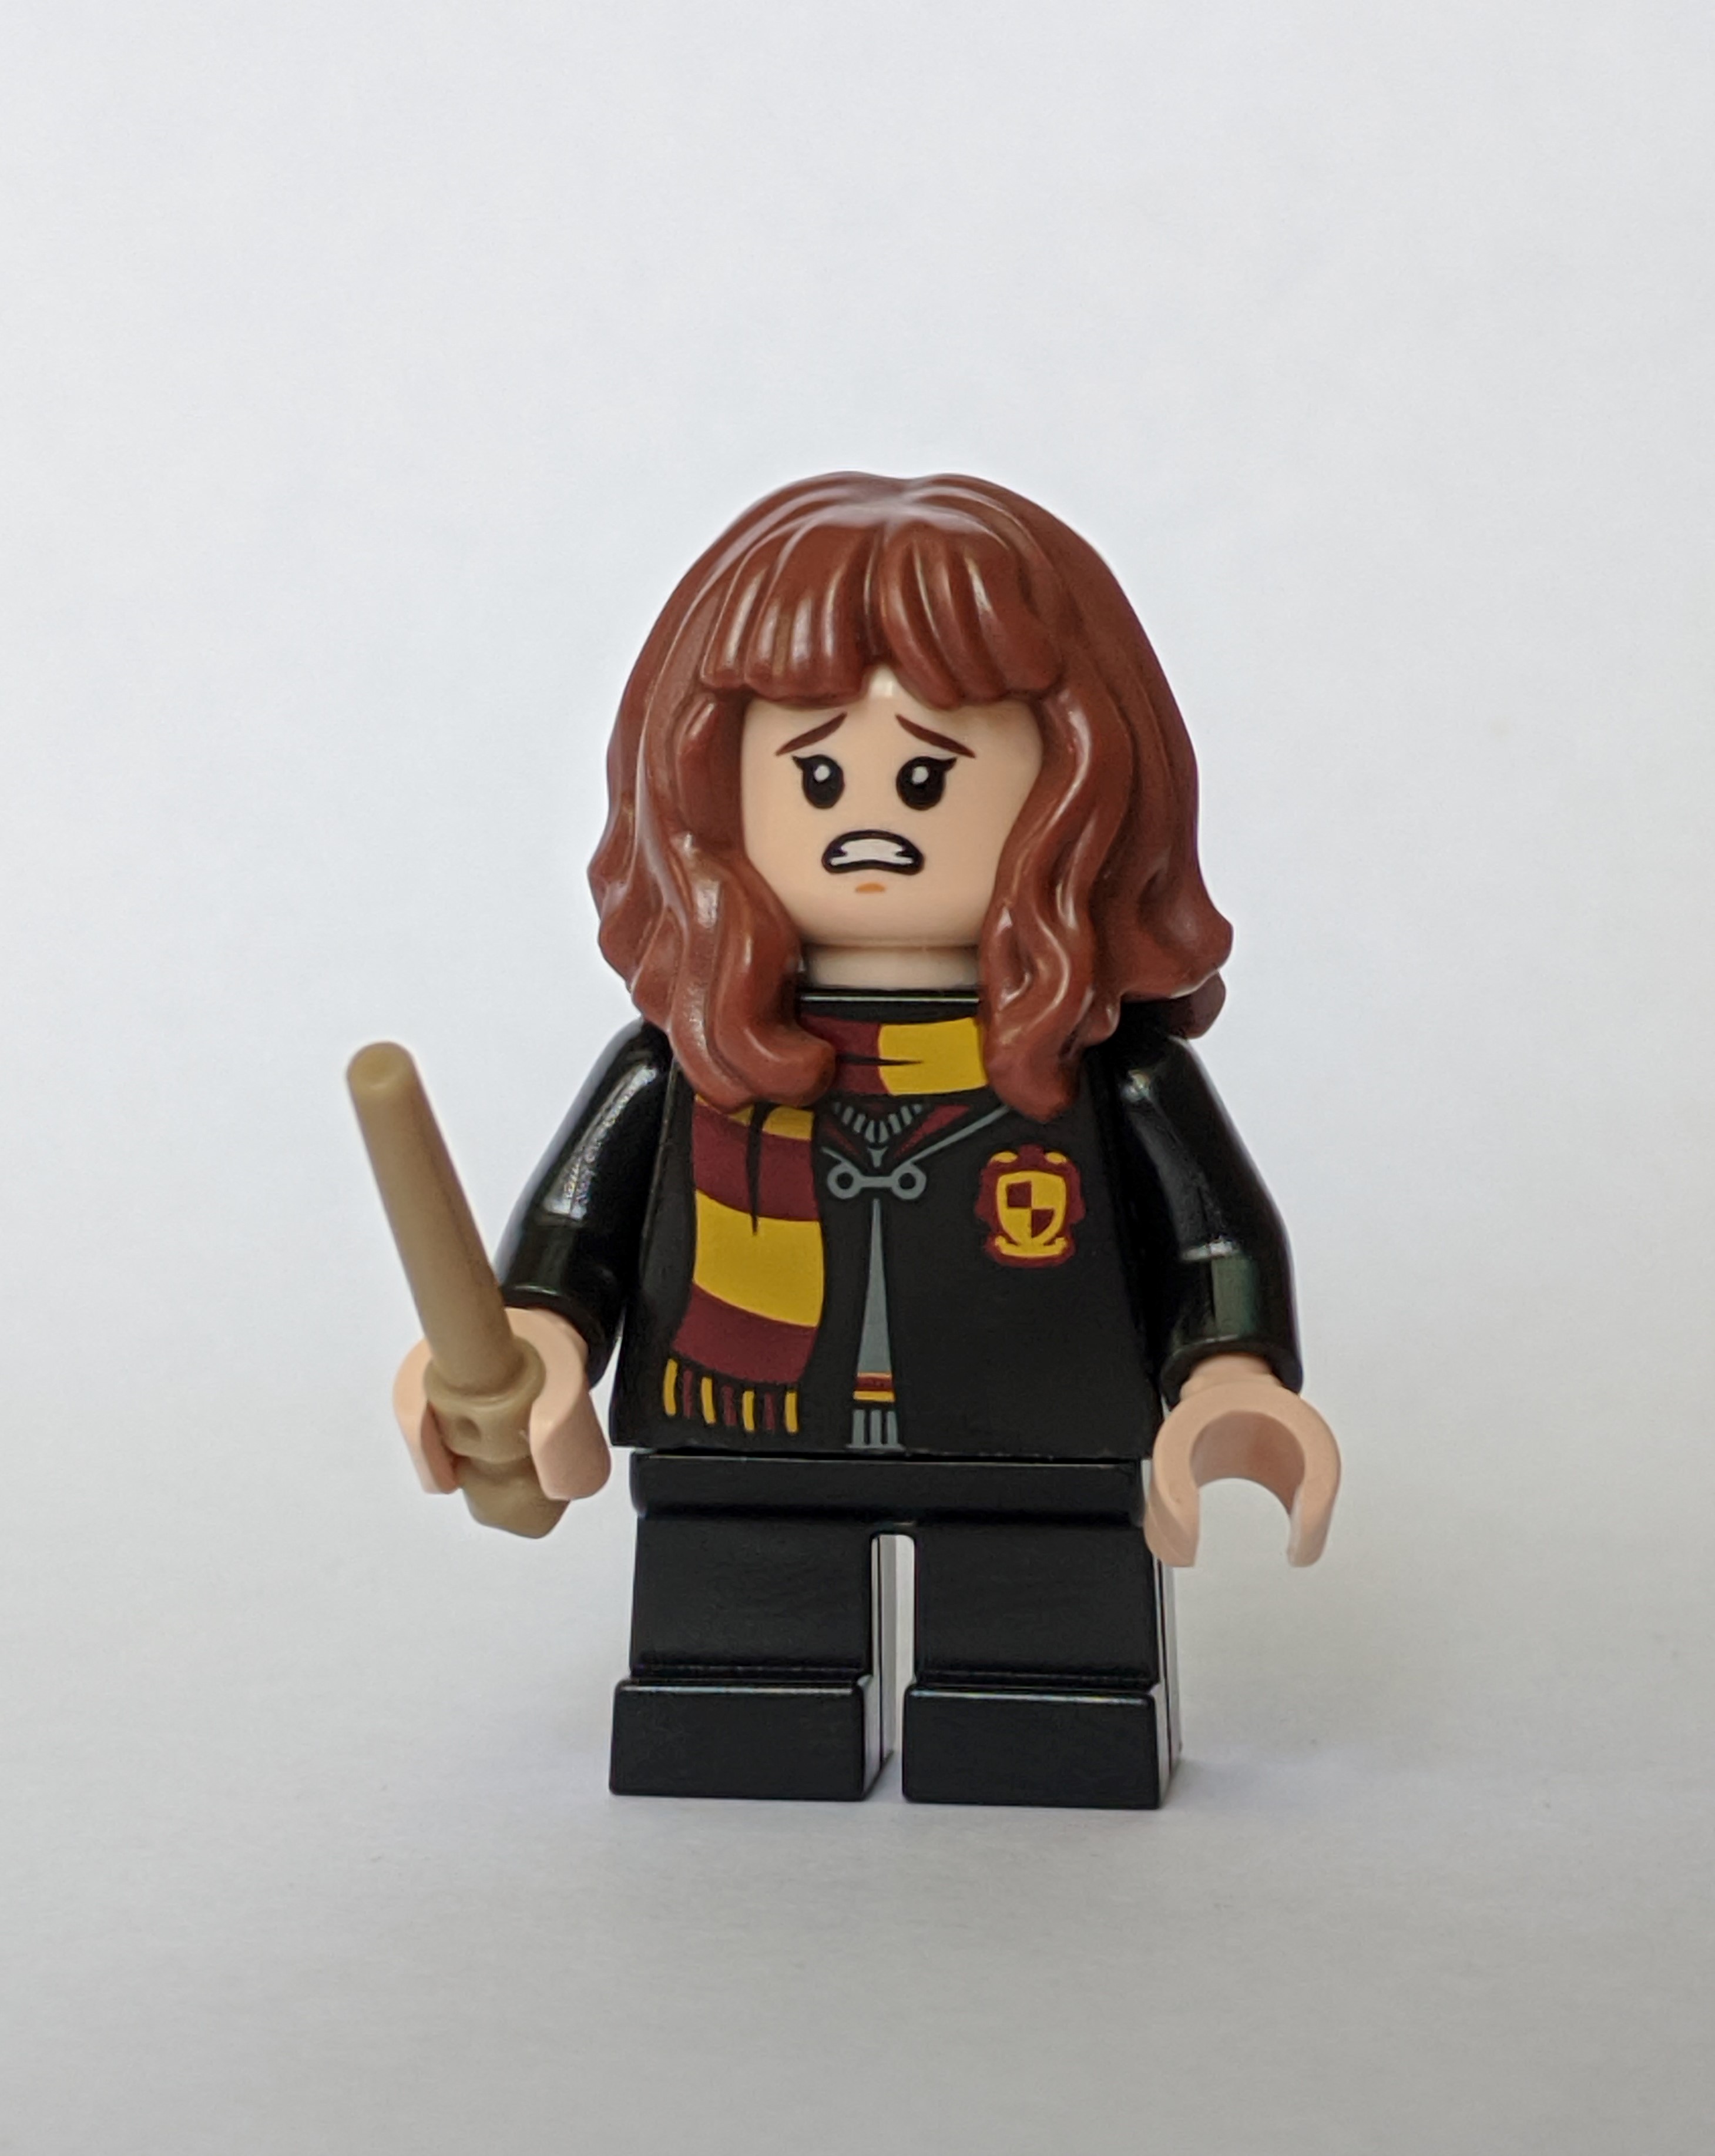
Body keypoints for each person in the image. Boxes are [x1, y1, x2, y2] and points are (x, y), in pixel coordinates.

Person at [392, 472, 1341, 1808]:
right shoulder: (688, 1066)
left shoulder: (1101, 1072)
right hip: (742, 1431)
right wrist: (528, 1350)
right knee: (737, 1654)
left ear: (1074, 784)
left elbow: (1213, 1234)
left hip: (1034, 1432)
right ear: (709, 786)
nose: (872, 819)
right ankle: (741, 1704)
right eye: (820, 774)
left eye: (929, 775)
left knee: (1042, 1662)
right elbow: (574, 1242)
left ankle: (1041, 1713)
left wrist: (1230, 1379)